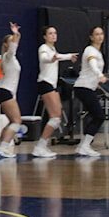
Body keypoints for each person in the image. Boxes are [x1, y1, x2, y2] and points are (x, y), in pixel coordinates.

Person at [34, 26, 77, 158]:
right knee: (55, 117)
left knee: (56, 118)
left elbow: (56, 56)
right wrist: (56, 58)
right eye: (50, 33)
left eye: (55, 33)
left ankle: (42, 145)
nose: (53, 35)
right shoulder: (43, 48)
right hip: (45, 84)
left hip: (51, 85)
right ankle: (40, 147)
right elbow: (44, 59)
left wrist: (67, 57)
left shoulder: (53, 49)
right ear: (45, 36)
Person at [72, 26, 109, 157]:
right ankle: (85, 146)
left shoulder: (98, 52)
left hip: (89, 87)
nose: (100, 37)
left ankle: (83, 146)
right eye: (97, 34)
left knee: (95, 116)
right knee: (99, 116)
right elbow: (92, 64)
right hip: (83, 87)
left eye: (101, 34)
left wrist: (96, 83)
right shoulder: (90, 50)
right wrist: (99, 75)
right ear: (91, 37)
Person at [0, 23, 23, 159]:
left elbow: (15, 46)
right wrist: (15, 33)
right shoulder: (8, 57)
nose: (13, 44)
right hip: (5, 91)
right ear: (5, 45)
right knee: (17, 121)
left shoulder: (11, 59)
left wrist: (17, 35)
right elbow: (13, 49)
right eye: (10, 42)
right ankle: (4, 147)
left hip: (5, 91)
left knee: (12, 121)